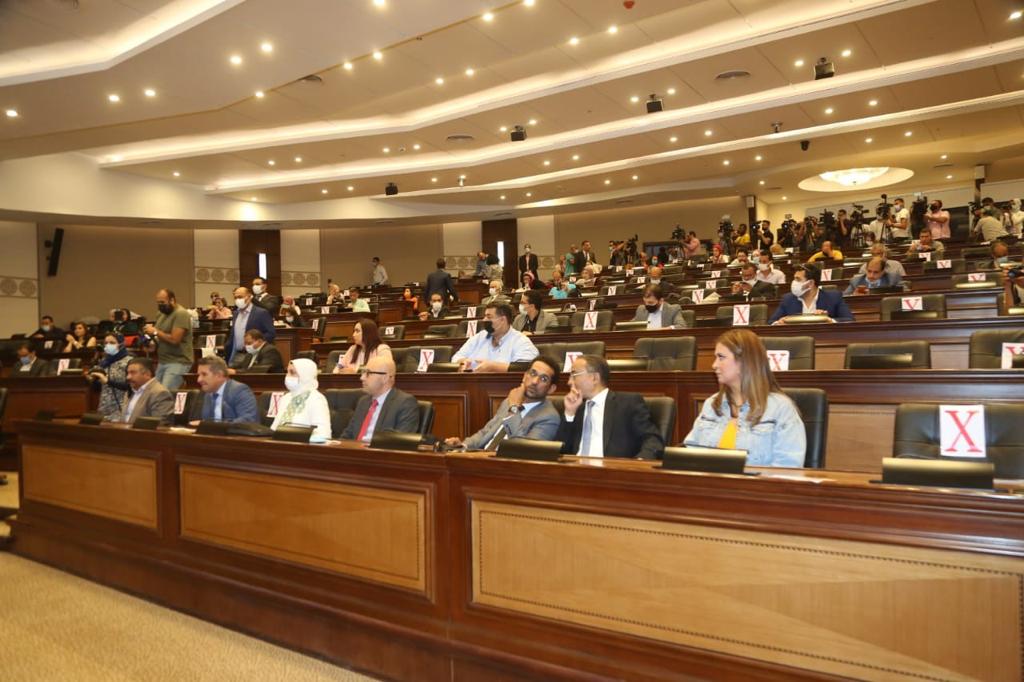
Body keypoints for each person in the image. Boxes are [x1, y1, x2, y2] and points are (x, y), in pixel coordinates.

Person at [683, 329, 805, 467]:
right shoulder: (712, 404)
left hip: (758, 482)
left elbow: (789, 467)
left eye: (721, 357)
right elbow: (690, 454)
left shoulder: (781, 409)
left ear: (744, 361)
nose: (714, 365)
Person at [556, 355, 663, 459]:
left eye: (574, 375)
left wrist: (638, 463)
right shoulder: (577, 408)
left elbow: (653, 440)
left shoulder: (628, 403)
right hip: (576, 468)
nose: (569, 382)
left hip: (612, 468)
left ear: (594, 378)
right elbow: (560, 450)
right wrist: (569, 414)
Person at [445, 357, 561, 450]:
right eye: (533, 373)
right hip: (483, 458)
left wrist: (513, 408)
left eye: (544, 379)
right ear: (524, 376)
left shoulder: (549, 417)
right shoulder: (508, 401)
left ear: (551, 389)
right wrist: (463, 445)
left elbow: (523, 451)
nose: (535, 382)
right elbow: (486, 432)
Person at [340, 357, 420, 442]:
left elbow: (401, 442)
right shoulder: (363, 401)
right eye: (363, 372)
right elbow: (347, 435)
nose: (362, 377)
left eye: (368, 373)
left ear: (385, 378)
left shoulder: (405, 403)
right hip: (354, 449)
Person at [453, 303, 539, 372]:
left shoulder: (520, 340)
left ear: (502, 320)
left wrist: (494, 367)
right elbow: (456, 357)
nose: (484, 320)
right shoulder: (479, 337)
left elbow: (526, 367)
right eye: (485, 316)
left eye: (489, 317)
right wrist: (462, 362)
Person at [143, 288, 194, 391]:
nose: (160, 305)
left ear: (172, 300)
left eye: (162, 302)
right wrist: (153, 344)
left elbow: (175, 340)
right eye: (158, 303)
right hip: (163, 360)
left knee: (165, 394)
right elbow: (160, 336)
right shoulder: (161, 314)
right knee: (154, 392)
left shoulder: (181, 314)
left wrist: (155, 331)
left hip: (178, 361)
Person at [769, 264, 854, 324]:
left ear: (811, 283)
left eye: (798, 279)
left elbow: (849, 320)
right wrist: (779, 322)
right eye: (794, 279)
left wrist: (829, 320)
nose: (794, 282)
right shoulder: (788, 299)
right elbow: (771, 322)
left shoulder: (833, 297)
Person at [270, 358, 331, 441]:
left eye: (292, 373)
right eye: (287, 372)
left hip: (304, 447)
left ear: (305, 375)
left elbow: (324, 434)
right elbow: (274, 428)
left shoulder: (317, 399)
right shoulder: (286, 398)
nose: (287, 376)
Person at [195, 356, 259, 423]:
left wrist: (218, 426)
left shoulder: (240, 391)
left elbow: (248, 420)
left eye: (204, 374)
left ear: (219, 375)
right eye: (199, 375)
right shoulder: (208, 394)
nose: (199, 380)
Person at [223, 286, 276, 364]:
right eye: (235, 298)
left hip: (254, 356)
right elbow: (233, 336)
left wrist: (255, 344)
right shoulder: (236, 313)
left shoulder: (261, 313)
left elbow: (271, 333)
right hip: (236, 355)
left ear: (249, 297)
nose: (237, 300)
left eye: (240, 297)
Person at [117, 357, 173, 425]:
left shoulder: (160, 393)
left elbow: (160, 424)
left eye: (133, 373)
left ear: (147, 374)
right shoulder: (130, 391)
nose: (128, 377)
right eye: (128, 373)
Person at [89, 333, 132, 418]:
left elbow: (131, 387)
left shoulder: (130, 361)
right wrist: (93, 380)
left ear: (121, 344)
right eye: (106, 343)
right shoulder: (103, 362)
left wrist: (108, 381)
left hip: (122, 408)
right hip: (104, 408)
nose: (108, 345)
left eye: (112, 343)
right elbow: (98, 388)